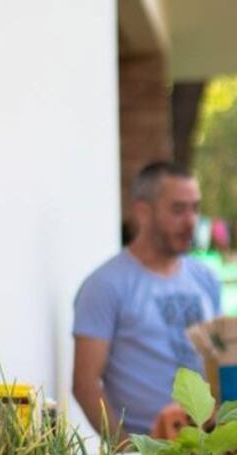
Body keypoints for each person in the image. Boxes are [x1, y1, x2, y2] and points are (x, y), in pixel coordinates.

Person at [73, 161, 221, 438]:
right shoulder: (105, 285)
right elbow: (85, 384)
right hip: (150, 452)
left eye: (195, 208)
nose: (190, 221)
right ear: (143, 212)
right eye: (178, 209)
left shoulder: (206, 278)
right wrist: (130, 452)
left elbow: (219, 361)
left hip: (210, 450)